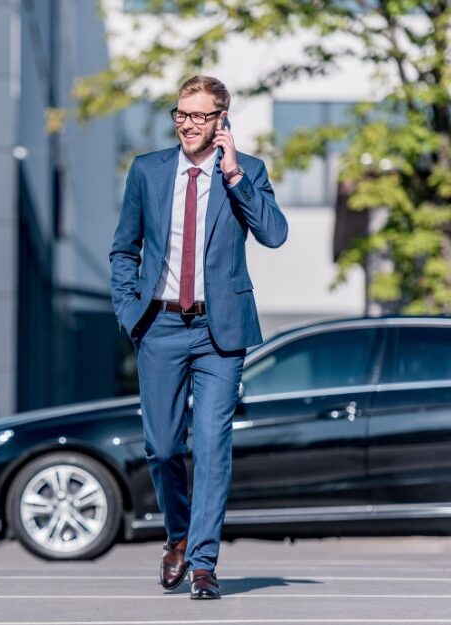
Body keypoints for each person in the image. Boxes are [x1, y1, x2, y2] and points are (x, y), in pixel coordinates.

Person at [109, 75, 288, 599]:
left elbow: (275, 235)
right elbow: (125, 248)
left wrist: (234, 176)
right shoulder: (147, 170)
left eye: (199, 115)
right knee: (163, 448)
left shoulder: (247, 171)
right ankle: (179, 535)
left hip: (220, 330)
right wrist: (129, 311)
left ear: (221, 120)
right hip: (159, 326)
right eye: (181, 114)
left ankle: (204, 563)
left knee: (212, 445)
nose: (188, 123)